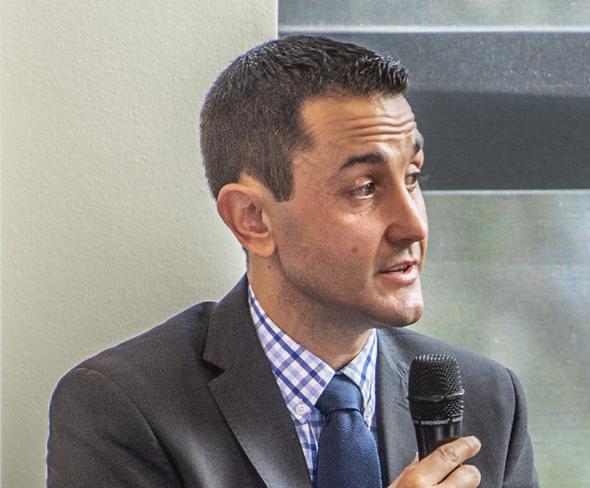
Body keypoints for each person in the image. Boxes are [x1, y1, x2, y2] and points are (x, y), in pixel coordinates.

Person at [47, 36, 538, 488]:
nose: (413, 226)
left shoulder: (489, 397)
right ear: (253, 218)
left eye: (412, 177)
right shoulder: (122, 407)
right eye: (364, 188)